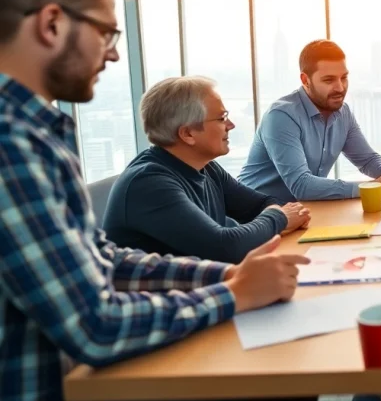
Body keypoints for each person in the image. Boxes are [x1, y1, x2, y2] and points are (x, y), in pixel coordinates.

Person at [0, 0, 309, 401]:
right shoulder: (13, 147)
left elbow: (103, 260)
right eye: (105, 30)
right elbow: (94, 326)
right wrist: (233, 295)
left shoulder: (37, 135)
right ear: (52, 24)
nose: (113, 52)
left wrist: (223, 277)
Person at [104, 76, 311, 264]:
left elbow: (262, 204)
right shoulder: (148, 184)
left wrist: (273, 217)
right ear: (187, 134)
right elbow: (226, 248)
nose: (231, 125)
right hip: (164, 300)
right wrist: (280, 219)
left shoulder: (206, 167)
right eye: (221, 118)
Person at [239, 39, 381, 201]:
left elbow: (368, 159)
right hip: (253, 216)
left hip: (300, 212)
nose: (340, 88)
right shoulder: (281, 116)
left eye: (344, 78)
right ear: (305, 80)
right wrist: (374, 188)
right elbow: (301, 185)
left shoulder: (342, 112)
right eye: (329, 80)